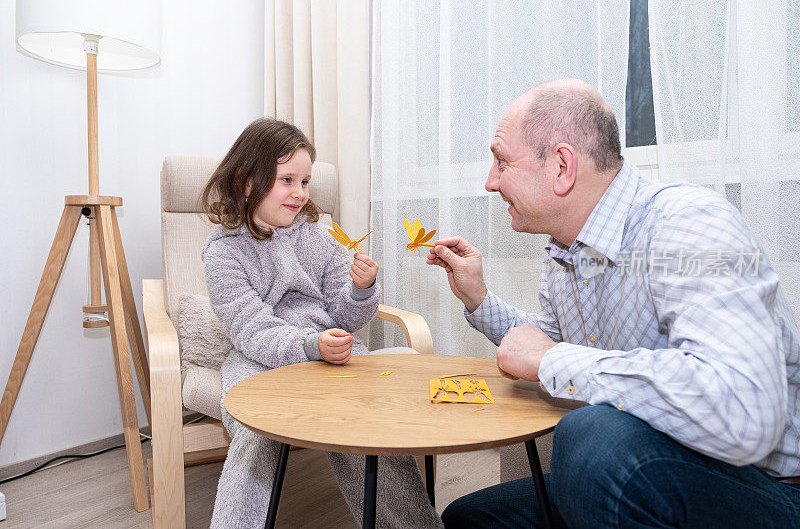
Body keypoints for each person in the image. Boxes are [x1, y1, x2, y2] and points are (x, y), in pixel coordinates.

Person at [427, 79, 800, 527]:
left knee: (592, 436)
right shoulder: (566, 253)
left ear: (562, 166)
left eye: (502, 161)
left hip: (768, 487)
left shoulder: (688, 224)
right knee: (470, 517)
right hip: (660, 464)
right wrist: (478, 298)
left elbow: (744, 410)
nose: (490, 182)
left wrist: (553, 359)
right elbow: (548, 347)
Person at [201, 118, 442, 529]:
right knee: (254, 429)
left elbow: (346, 317)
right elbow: (252, 330)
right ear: (246, 181)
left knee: (367, 421)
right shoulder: (222, 254)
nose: (299, 193)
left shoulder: (315, 235)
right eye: (287, 179)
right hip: (257, 360)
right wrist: (310, 345)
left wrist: (361, 289)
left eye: (306, 181)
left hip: (330, 354)